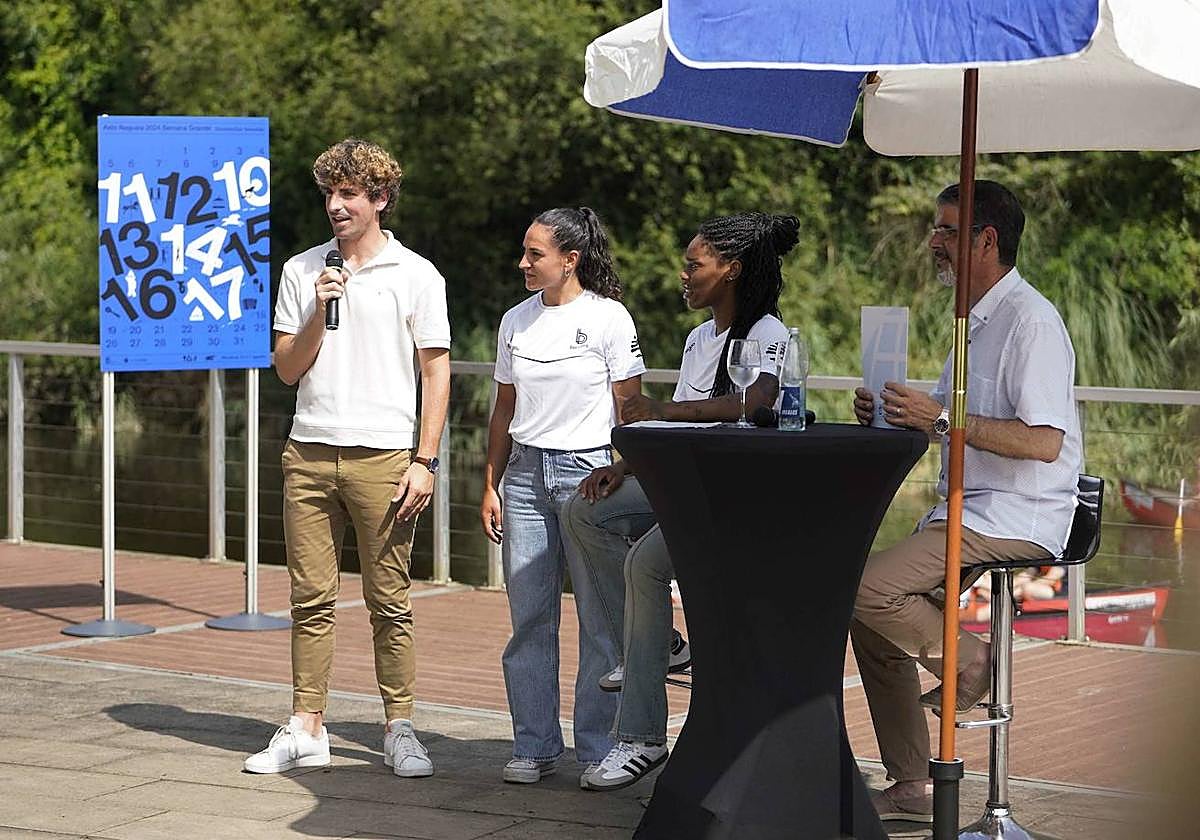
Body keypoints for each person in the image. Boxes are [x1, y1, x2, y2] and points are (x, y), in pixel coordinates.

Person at [850, 180, 1081, 822]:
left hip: (1016, 512)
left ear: (987, 240)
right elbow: (948, 417)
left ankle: (973, 660)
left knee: (865, 588)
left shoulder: (1031, 321)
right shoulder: (973, 321)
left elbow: (1043, 441)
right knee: (865, 613)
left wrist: (942, 420)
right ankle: (910, 785)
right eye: (937, 228)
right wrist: (895, 410)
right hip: (970, 507)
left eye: (947, 230)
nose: (934, 241)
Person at [567, 212, 800, 791]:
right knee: (584, 511)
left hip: (733, 498)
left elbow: (759, 400)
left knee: (645, 562)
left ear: (731, 270)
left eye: (695, 265)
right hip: (686, 484)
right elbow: (673, 428)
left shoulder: (768, 332)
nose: (684, 274)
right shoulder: (699, 339)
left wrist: (660, 409)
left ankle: (641, 738)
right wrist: (624, 465)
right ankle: (661, 645)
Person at [244, 138, 451, 778]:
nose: (336, 206)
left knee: (390, 600)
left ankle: (400, 727)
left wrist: (425, 461)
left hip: (385, 457)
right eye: (329, 195)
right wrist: (318, 308)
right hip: (308, 450)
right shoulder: (302, 270)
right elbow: (286, 368)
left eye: (349, 194)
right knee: (310, 598)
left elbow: (436, 372)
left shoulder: (417, 274)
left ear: (380, 199)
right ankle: (307, 726)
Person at [480, 207, 646, 785]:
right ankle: (534, 746)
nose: (523, 263)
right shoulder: (515, 321)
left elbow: (631, 409)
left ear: (570, 260)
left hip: (591, 478)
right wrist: (491, 484)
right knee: (529, 618)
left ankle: (598, 747)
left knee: (600, 622)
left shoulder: (609, 318)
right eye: (524, 252)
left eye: (535, 254)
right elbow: (504, 409)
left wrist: (622, 468)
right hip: (524, 476)